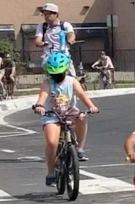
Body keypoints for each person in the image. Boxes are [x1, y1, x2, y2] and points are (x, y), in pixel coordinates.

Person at [32, 52, 99, 186]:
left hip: (69, 112)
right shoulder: (47, 82)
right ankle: (51, 172)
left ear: (66, 70)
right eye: (54, 74)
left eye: (60, 74)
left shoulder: (72, 81)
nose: (57, 77)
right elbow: (42, 96)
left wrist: (91, 106)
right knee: (52, 142)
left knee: (82, 116)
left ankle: (79, 149)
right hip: (51, 115)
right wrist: (39, 106)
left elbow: (81, 94)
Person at [34, 2, 76, 75]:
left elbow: (71, 34)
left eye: (48, 14)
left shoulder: (65, 25)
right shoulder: (41, 26)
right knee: (49, 79)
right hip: (49, 57)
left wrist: (71, 39)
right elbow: (38, 40)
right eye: (44, 14)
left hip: (63, 56)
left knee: (72, 78)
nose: (45, 16)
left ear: (56, 14)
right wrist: (40, 43)